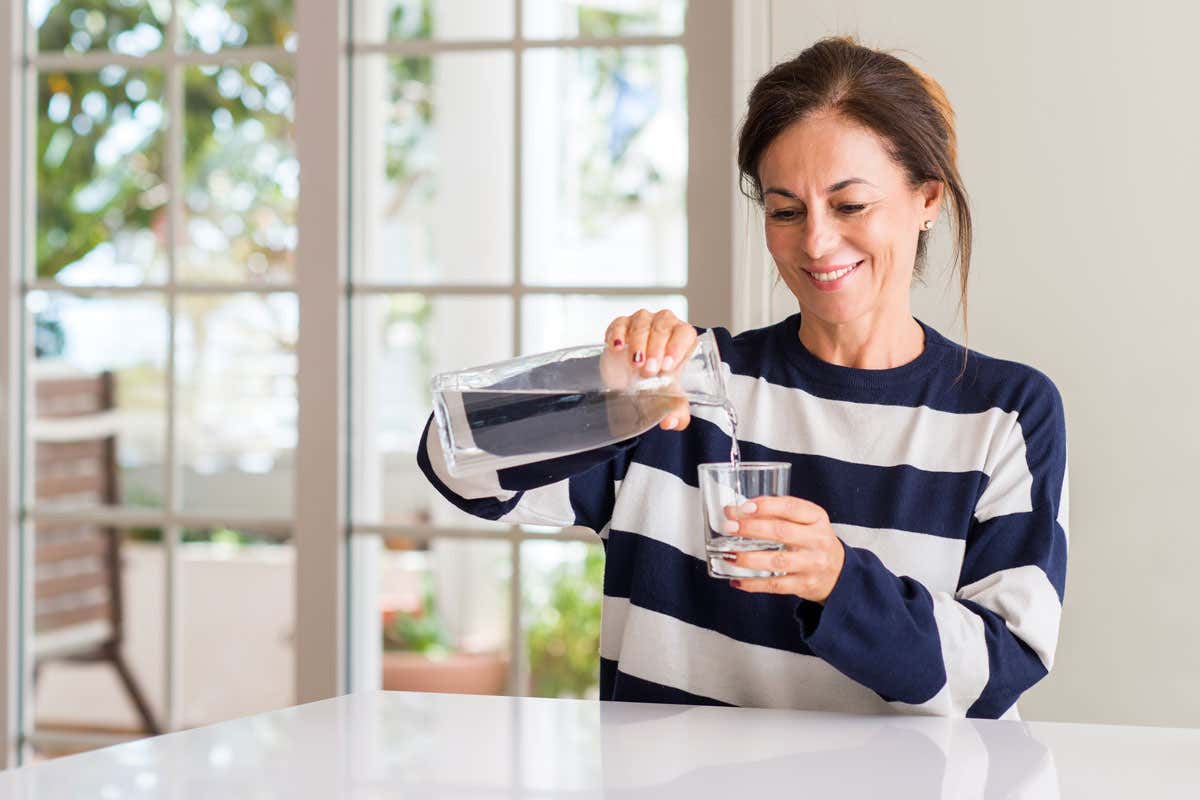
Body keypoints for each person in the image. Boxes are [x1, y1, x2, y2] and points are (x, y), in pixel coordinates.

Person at [418, 36, 1067, 719]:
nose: (816, 242)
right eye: (786, 211)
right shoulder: (681, 389)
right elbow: (454, 461)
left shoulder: (1005, 414)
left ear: (927, 197)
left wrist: (838, 582)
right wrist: (605, 386)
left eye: (849, 206)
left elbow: (1001, 669)